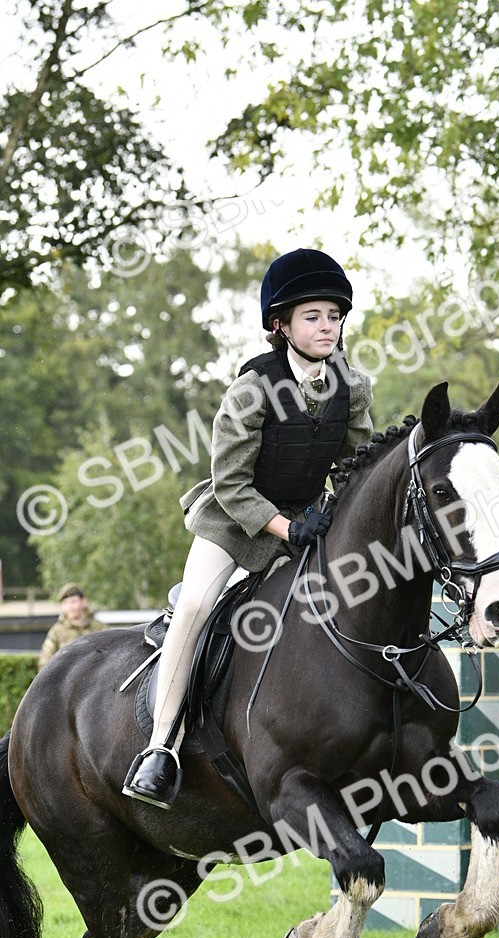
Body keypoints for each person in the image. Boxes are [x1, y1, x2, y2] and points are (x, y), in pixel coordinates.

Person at [123, 248, 374, 808]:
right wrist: (287, 528)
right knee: (193, 608)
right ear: (280, 325)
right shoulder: (252, 390)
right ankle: (160, 750)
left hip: (307, 525)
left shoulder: (352, 388)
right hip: (235, 525)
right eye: (313, 317)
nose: (327, 326)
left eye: (334, 316)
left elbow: (355, 465)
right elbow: (231, 482)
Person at [39, 584, 107, 669]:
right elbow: (45, 662)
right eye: (66, 603)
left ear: (84, 601)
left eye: (73, 602)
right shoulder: (57, 631)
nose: (70, 607)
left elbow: (111, 655)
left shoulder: (99, 628)